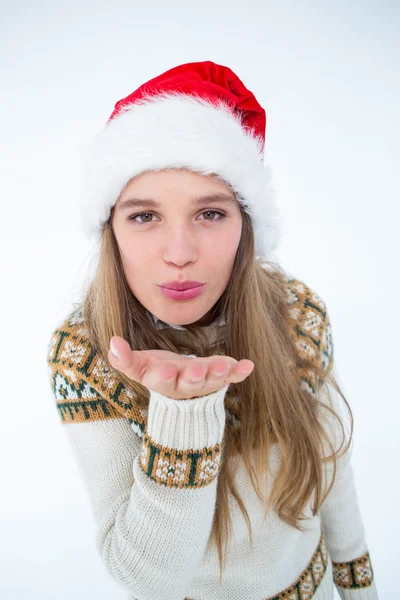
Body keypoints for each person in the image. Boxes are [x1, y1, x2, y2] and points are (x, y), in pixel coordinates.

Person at [46, 60, 378, 600]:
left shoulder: (298, 314)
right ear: (111, 231)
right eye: (144, 216)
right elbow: (149, 578)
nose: (180, 255)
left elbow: (331, 467)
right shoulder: (83, 355)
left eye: (210, 214)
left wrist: (358, 585)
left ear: (246, 225)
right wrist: (182, 416)